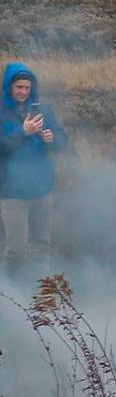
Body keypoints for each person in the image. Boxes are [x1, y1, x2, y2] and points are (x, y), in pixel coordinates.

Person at [0, 62, 66, 259]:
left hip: (42, 188)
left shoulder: (43, 109)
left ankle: (43, 288)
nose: (23, 91)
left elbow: (62, 140)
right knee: (16, 249)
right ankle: (12, 289)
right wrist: (23, 132)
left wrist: (51, 140)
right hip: (11, 191)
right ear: (8, 86)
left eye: (27, 87)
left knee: (41, 245)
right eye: (19, 87)